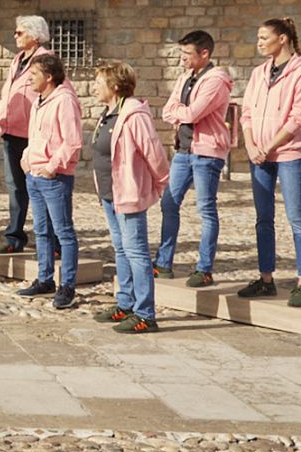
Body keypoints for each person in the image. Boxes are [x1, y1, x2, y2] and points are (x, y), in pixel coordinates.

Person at [238, 17, 301, 307]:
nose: (259, 43)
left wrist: (269, 146)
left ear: (282, 38)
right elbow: (246, 111)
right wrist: (250, 144)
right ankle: (266, 279)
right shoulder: (259, 72)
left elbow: (300, 117)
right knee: (263, 219)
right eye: (258, 38)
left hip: (289, 156)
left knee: (296, 217)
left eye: (264, 38)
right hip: (258, 156)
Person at [91, 61, 171, 334]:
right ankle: (125, 303)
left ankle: (146, 313)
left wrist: (160, 183)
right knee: (121, 249)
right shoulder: (109, 113)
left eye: (99, 83)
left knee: (136, 252)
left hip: (128, 193)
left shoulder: (134, 115)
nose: (94, 88)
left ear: (114, 87)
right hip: (110, 193)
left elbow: (153, 152)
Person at [155, 31, 233, 285]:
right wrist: (180, 112)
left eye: (187, 54)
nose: (182, 59)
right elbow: (168, 110)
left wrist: (180, 112)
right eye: (181, 53)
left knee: (206, 209)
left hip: (207, 153)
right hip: (183, 151)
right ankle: (163, 263)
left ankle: (204, 268)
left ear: (204, 54)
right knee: (169, 202)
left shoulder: (216, 81)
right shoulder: (185, 77)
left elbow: (193, 113)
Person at [17, 53, 83, 309]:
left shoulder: (64, 101)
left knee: (63, 232)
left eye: (34, 74)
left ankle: (67, 285)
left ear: (49, 76)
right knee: (41, 231)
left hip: (54, 177)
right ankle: (45, 278)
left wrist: (52, 167)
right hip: (34, 175)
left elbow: (72, 141)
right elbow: (35, 136)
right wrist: (26, 158)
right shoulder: (38, 101)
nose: (30, 78)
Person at [0, 15, 53, 253]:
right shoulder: (17, 59)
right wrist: (0, 117)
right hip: (11, 131)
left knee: (40, 187)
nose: (15, 36)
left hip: (33, 134)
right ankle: (14, 236)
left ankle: (52, 240)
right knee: (15, 186)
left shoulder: (46, 60)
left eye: (20, 32)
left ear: (35, 36)